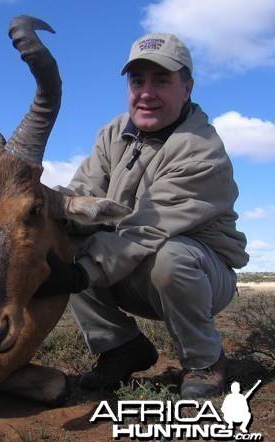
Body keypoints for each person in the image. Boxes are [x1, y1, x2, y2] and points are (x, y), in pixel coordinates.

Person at [37, 32, 249, 398]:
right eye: (138, 81)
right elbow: (85, 196)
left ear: (187, 88)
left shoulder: (202, 152)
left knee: (170, 256)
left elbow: (146, 229)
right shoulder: (114, 133)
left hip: (197, 275)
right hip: (129, 264)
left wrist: (79, 274)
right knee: (63, 237)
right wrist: (43, 203)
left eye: (162, 80)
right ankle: (121, 348)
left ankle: (205, 361)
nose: (146, 92)